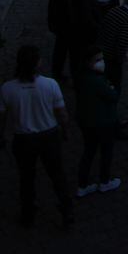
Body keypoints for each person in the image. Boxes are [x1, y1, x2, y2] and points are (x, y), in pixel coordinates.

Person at [0, 45, 74, 227]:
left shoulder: (8, 89)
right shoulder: (50, 84)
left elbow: (2, 117)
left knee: (26, 177)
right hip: (49, 136)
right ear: (37, 64)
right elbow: (62, 114)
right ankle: (66, 210)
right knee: (57, 175)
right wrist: (65, 131)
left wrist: (2, 136)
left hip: (24, 140)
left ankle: (28, 213)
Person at [74, 46, 121, 197]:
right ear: (89, 62)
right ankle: (105, 181)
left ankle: (82, 184)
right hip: (103, 123)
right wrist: (112, 87)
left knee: (89, 151)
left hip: (86, 122)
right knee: (106, 152)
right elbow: (113, 96)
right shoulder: (97, 81)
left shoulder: (81, 77)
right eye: (98, 60)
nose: (102, 62)